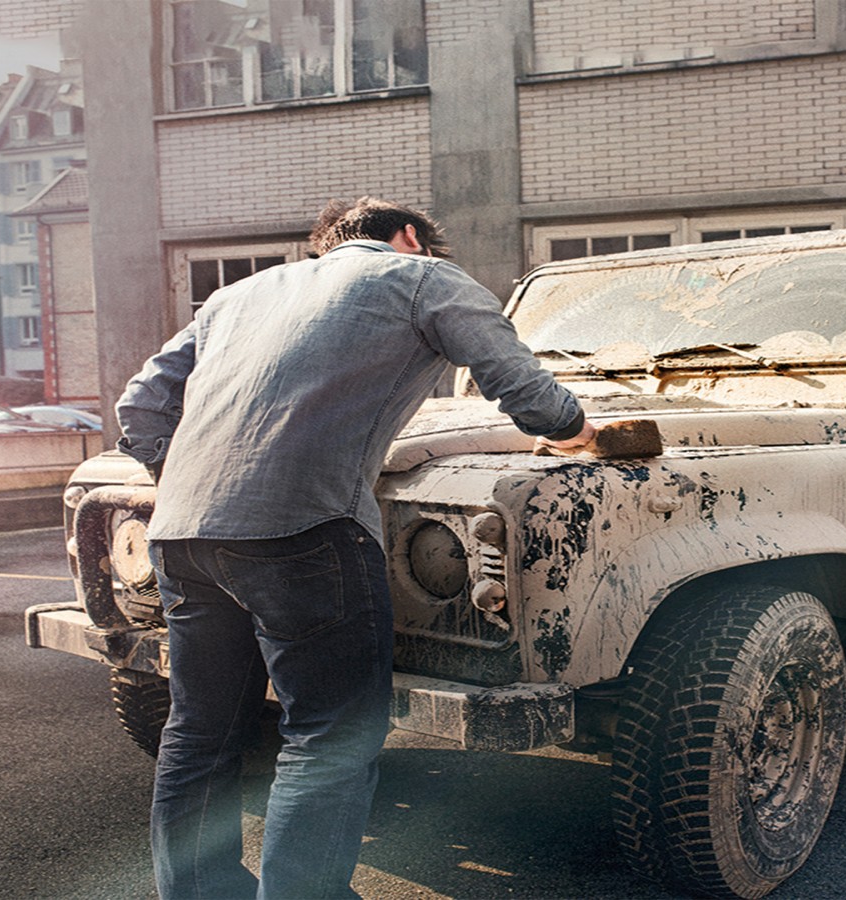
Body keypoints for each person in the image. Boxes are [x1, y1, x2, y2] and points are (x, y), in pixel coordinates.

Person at [115, 198, 594, 899]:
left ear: (328, 244)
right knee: (327, 737)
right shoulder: (424, 278)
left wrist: (192, 480)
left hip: (182, 533)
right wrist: (577, 431)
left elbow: (139, 406)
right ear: (410, 237)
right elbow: (526, 393)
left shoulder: (237, 296)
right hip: (308, 532)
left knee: (199, 732)